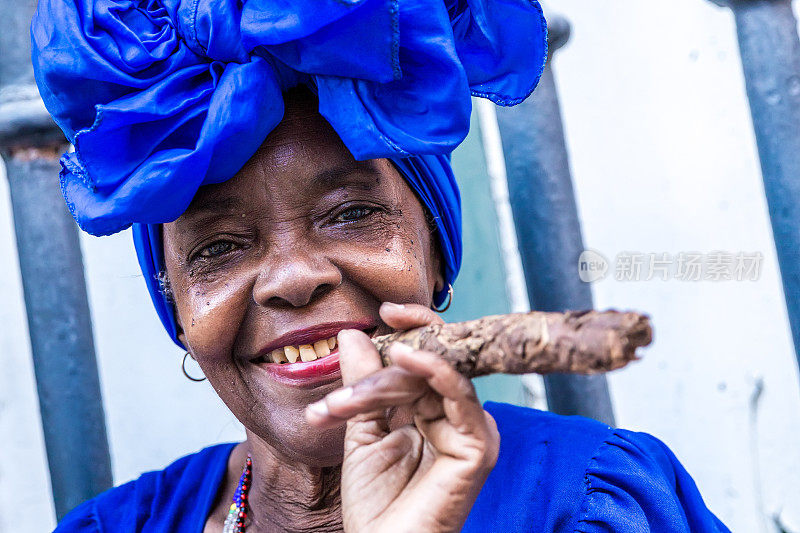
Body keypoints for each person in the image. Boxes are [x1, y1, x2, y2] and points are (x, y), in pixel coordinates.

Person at [32, 1, 730, 531]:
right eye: (218, 247)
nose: (293, 277)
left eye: (350, 213)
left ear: (434, 253)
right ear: (178, 308)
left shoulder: (585, 504)